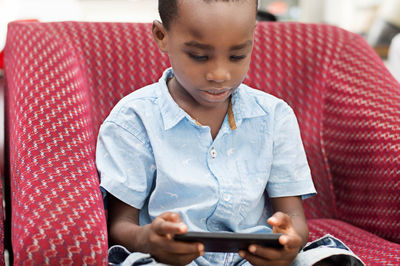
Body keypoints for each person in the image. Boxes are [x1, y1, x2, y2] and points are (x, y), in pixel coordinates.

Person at [96, 0, 364, 265]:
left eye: (237, 56)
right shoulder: (134, 119)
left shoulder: (273, 116)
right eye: (199, 56)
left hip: (253, 260)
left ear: (252, 37)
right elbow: (120, 226)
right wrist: (147, 239)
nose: (220, 74)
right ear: (161, 36)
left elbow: (294, 221)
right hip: (170, 260)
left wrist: (288, 241)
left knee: (328, 259)